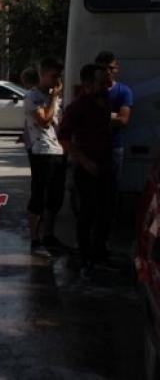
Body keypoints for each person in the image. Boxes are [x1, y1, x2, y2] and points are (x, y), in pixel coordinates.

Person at [58, 64, 113, 276]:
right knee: (88, 212)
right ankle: (85, 255)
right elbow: (63, 138)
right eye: (101, 82)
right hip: (87, 168)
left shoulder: (104, 102)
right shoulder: (78, 106)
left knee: (106, 211)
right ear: (88, 84)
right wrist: (83, 161)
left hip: (106, 165)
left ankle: (99, 251)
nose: (106, 86)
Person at [24, 57, 66, 256]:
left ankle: (49, 235)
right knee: (38, 196)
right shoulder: (33, 96)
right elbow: (44, 120)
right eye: (53, 76)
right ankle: (35, 238)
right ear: (43, 75)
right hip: (41, 151)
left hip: (58, 150)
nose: (57, 80)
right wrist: (54, 98)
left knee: (55, 198)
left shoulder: (55, 97)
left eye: (59, 76)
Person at [94, 51, 133, 209]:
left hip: (114, 147)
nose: (107, 72)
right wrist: (111, 116)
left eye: (111, 68)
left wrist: (99, 117)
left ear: (116, 68)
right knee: (92, 190)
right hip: (91, 148)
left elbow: (123, 120)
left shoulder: (124, 91)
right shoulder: (90, 90)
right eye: (103, 69)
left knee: (111, 189)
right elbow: (84, 119)